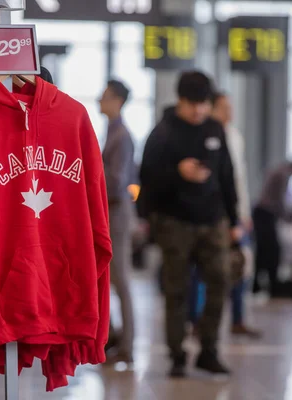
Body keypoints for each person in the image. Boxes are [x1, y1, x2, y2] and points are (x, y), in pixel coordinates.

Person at [139, 71, 241, 378]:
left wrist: (234, 221)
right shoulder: (163, 133)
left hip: (212, 221)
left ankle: (208, 350)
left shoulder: (215, 129)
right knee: (177, 291)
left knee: (221, 280)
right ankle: (177, 355)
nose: (198, 111)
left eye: (203, 104)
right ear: (180, 101)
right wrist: (177, 173)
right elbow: (146, 182)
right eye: (192, 104)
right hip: (175, 223)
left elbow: (227, 176)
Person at [210, 92, 260, 338]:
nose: (229, 113)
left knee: (242, 266)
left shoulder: (235, 137)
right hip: (216, 215)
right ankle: (200, 321)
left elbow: (239, 181)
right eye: (223, 108)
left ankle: (238, 318)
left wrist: (244, 213)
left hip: (237, 213)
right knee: (208, 271)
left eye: (230, 108)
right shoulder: (207, 137)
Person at [98, 79, 135, 364]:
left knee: (120, 277)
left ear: (118, 101)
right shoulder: (112, 132)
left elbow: (117, 181)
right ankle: (110, 336)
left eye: (106, 96)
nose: (101, 99)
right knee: (108, 276)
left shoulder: (121, 136)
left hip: (117, 213)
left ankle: (128, 344)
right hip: (109, 212)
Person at [252, 160, 292, 296]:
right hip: (265, 214)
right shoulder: (284, 174)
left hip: (262, 213)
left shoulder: (279, 169)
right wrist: (288, 217)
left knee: (263, 250)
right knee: (273, 250)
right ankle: (272, 286)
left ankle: (258, 285)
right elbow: (280, 200)